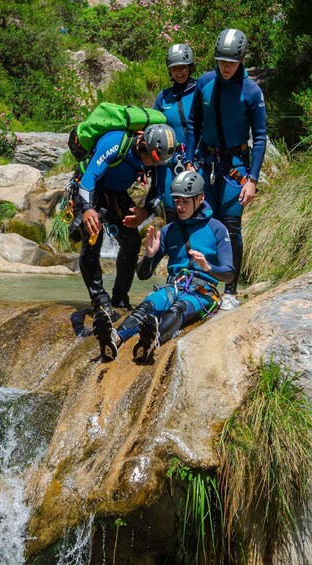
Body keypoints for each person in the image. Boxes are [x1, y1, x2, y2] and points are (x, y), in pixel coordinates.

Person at [93, 170, 234, 362]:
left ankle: (152, 340)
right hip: (173, 286)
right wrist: (149, 255)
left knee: (177, 309)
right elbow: (143, 275)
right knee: (146, 307)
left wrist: (208, 267)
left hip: (203, 292)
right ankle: (114, 339)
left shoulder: (217, 228)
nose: (179, 206)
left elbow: (229, 274)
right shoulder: (169, 230)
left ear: (200, 199)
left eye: (185, 201)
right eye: (177, 201)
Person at [184, 28, 267, 311]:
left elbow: (259, 135)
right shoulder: (205, 83)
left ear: (242, 59)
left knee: (231, 227)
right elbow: (193, 122)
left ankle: (230, 290)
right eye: (222, 62)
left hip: (235, 167)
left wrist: (252, 179)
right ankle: (206, 286)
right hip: (205, 163)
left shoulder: (252, 91)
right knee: (206, 222)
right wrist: (189, 159)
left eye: (231, 62)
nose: (226, 67)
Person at [73, 123, 177, 317]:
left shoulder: (159, 159)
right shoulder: (114, 143)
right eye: (152, 161)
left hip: (116, 193)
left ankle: (120, 298)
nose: (154, 166)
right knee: (93, 238)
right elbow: (88, 179)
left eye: (158, 163)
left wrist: (145, 212)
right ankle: (99, 300)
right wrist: (87, 209)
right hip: (88, 190)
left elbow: (159, 190)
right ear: (143, 144)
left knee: (131, 242)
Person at [153, 43, 198, 222]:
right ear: (169, 71)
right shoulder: (163, 97)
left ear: (190, 67)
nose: (179, 72)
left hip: (196, 160)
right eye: (175, 68)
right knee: (172, 211)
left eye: (183, 67)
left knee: (196, 210)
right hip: (169, 163)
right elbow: (154, 131)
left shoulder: (199, 90)